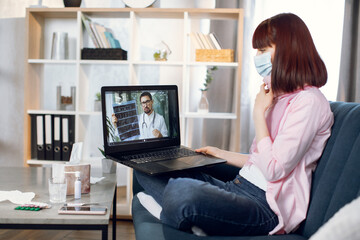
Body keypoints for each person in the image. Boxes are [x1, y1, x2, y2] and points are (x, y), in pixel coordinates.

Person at [134, 13, 334, 236]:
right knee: (146, 168)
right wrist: (219, 153)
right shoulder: (278, 97)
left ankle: (175, 213)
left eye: (262, 50)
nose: (257, 56)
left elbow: (274, 170)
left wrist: (259, 113)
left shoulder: (309, 102)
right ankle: (191, 217)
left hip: (266, 208)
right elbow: (260, 161)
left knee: (182, 192)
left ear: (288, 50)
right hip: (238, 188)